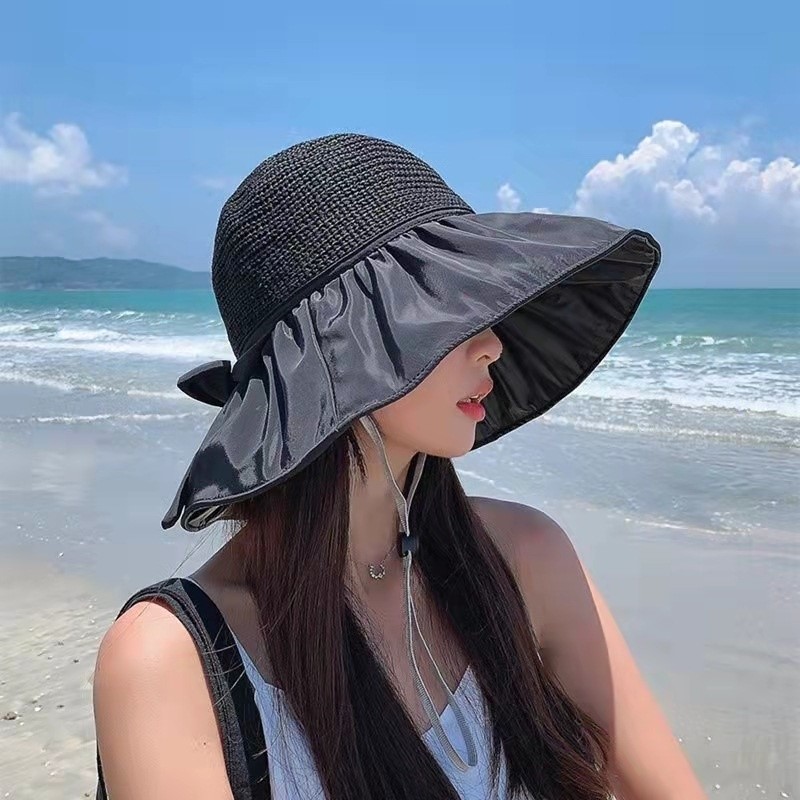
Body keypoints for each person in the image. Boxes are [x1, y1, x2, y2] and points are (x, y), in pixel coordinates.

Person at [92, 133, 707, 799]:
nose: (492, 343)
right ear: (339, 350)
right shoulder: (168, 659)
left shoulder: (527, 558)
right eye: (442, 307)